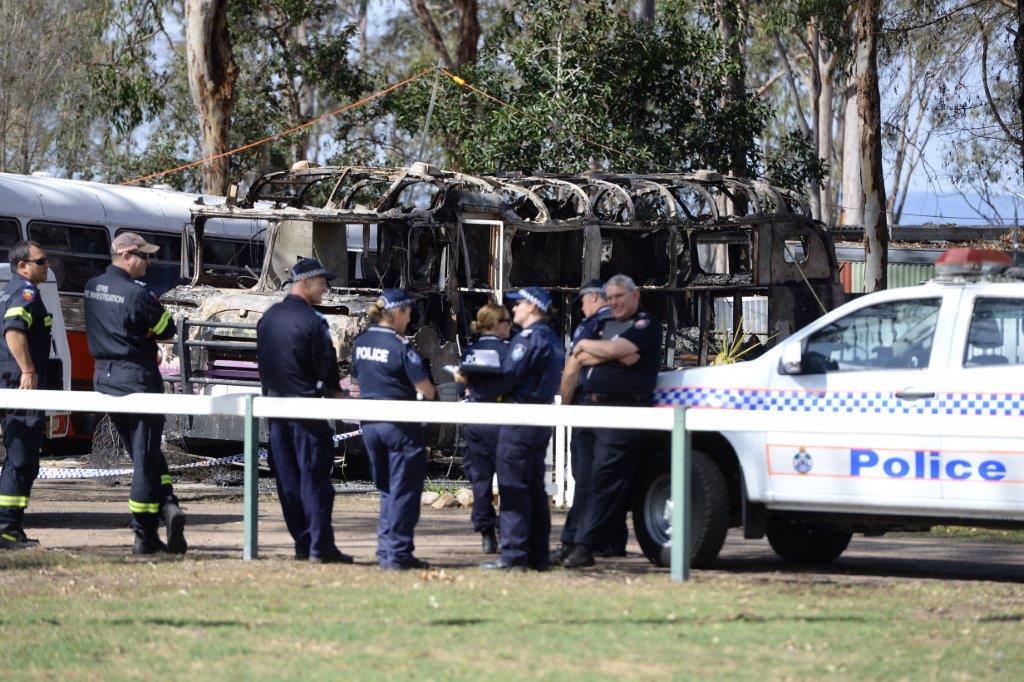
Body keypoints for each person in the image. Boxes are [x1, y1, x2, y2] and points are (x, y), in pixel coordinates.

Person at [84, 232, 186, 555]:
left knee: (144, 453)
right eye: (144, 256)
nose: (149, 262)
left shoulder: (92, 287)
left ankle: (168, 505)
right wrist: (146, 335)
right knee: (144, 458)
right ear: (127, 256)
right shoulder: (138, 295)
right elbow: (167, 329)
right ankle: (145, 536)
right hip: (138, 383)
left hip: (105, 382)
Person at [562, 274, 662, 569]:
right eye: (610, 297)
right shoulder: (602, 325)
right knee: (584, 480)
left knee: (604, 479)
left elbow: (610, 350)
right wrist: (595, 352)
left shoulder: (646, 324)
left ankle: (585, 546)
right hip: (589, 409)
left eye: (620, 296)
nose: (614, 302)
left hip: (621, 412)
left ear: (636, 295)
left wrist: (586, 351)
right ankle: (569, 542)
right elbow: (576, 360)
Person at [461, 287, 564, 572]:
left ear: (532, 308)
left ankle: (514, 555)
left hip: (519, 420)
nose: (514, 309)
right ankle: (537, 555)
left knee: (513, 487)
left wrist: (473, 384)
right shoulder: (552, 339)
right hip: (538, 419)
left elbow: (508, 377)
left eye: (518, 304)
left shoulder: (529, 339)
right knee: (533, 488)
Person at [256, 258, 352, 564]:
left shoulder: (268, 318)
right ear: (305, 282)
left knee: (288, 482)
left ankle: (302, 543)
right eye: (322, 281)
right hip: (306, 414)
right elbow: (326, 367)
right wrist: (338, 394)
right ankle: (320, 548)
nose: (326, 287)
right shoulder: (314, 322)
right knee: (316, 483)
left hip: (275, 413)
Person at [350, 289, 437, 570]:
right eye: (409, 312)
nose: (410, 318)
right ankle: (396, 553)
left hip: (370, 426)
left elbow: (356, 380)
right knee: (404, 491)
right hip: (400, 427)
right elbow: (427, 390)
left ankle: (388, 550)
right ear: (397, 313)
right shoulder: (401, 346)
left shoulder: (361, 342)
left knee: (388, 489)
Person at [556, 278, 627, 564]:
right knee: (606, 475)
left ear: (594, 298)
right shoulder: (619, 323)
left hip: (590, 405)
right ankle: (612, 540)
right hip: (609, 407)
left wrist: (565, 399)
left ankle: (587, 539)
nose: (582, 308)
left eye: (583, 301)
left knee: (585, 475)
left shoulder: (594, 324)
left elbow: (577, 364)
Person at [0, 241, 52, 550]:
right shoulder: (26, 294)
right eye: (41, 261)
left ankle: (10, 527)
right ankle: (7, 528)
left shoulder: (10, 290)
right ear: (23, 266)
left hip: (12, 384)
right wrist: (28, 371)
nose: (47, 265)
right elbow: (14, 331)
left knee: (21, 458)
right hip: (22, 387)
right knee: (21, 458)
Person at [456, 302, 512, 554]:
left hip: (475, 422)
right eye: (507, 321)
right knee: (510, 480)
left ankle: (487, 534)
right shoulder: (509, 351)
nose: (511, 325)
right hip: (503, 422)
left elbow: (460, 388)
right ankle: (508, 530)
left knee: (480, 482)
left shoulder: (470, 351)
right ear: (496, 324)